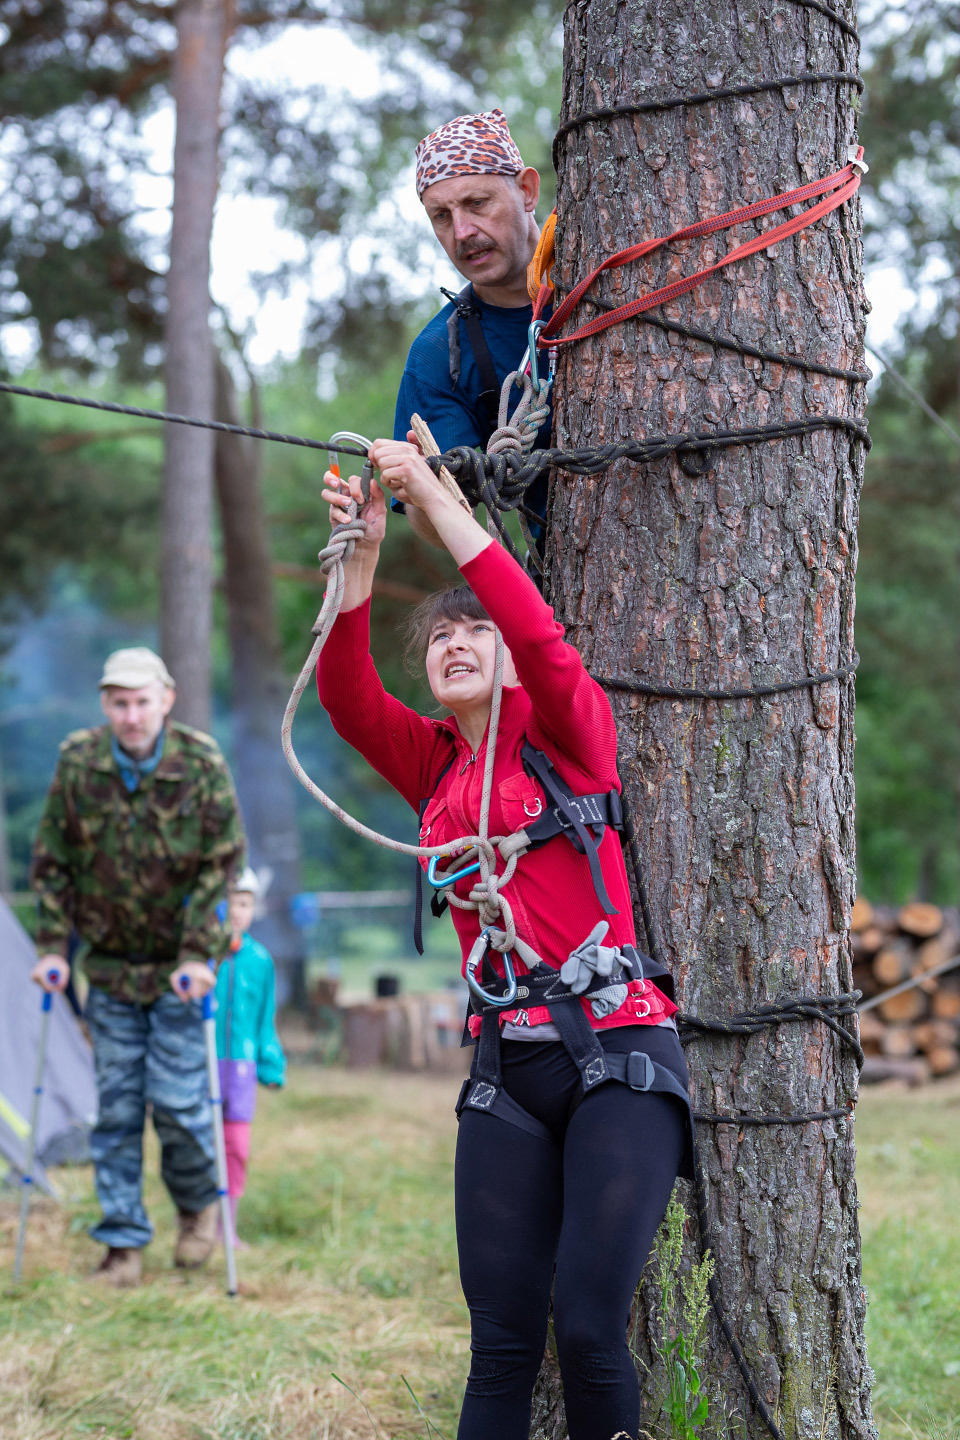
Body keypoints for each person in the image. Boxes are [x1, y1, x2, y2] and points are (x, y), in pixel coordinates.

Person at [316, 445, 693, 1440]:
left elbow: (527, 615)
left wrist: (433, 499)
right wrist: (359, 565)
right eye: (439, 639)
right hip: (505, 1066)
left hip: (620, 1053)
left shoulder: (570, 731)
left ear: (509, 653)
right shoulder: (435, 769)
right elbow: (348, 701)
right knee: (500, 1344)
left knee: (588, 1326)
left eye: (475, 632)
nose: (457, 642)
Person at [30, 647, 245, 1288]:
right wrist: (50, 948)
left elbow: (222, 863)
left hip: (179, 973)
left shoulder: (201, 762)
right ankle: (122, 1245)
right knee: (118, 1113)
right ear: (105, 705)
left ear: (166, 698)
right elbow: (53, 864)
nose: (131, 715)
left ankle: (195, 1206)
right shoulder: (79, 762)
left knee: (180, 1107)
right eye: (119, 703)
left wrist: (197, 956)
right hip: (110, 970)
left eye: (141, 701)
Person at [393, 108, 552, 553]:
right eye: (441, 216)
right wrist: (422, 493)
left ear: (526, 190)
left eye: (477, 204)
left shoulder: (610, 275)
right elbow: (439, 520)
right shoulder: (439, 354)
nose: (462, 232)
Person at [215, 866, 286, 1246]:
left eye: (244, 903)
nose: (237, 910)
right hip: (203, 1068)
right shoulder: (203, 958)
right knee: (203, 1146)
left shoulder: (260, 961)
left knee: (236, 1148)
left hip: (240, 1070)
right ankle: (198, 1225)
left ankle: (227, 1228)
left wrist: (270, 1063)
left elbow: (264, 1019)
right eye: (230, 902)